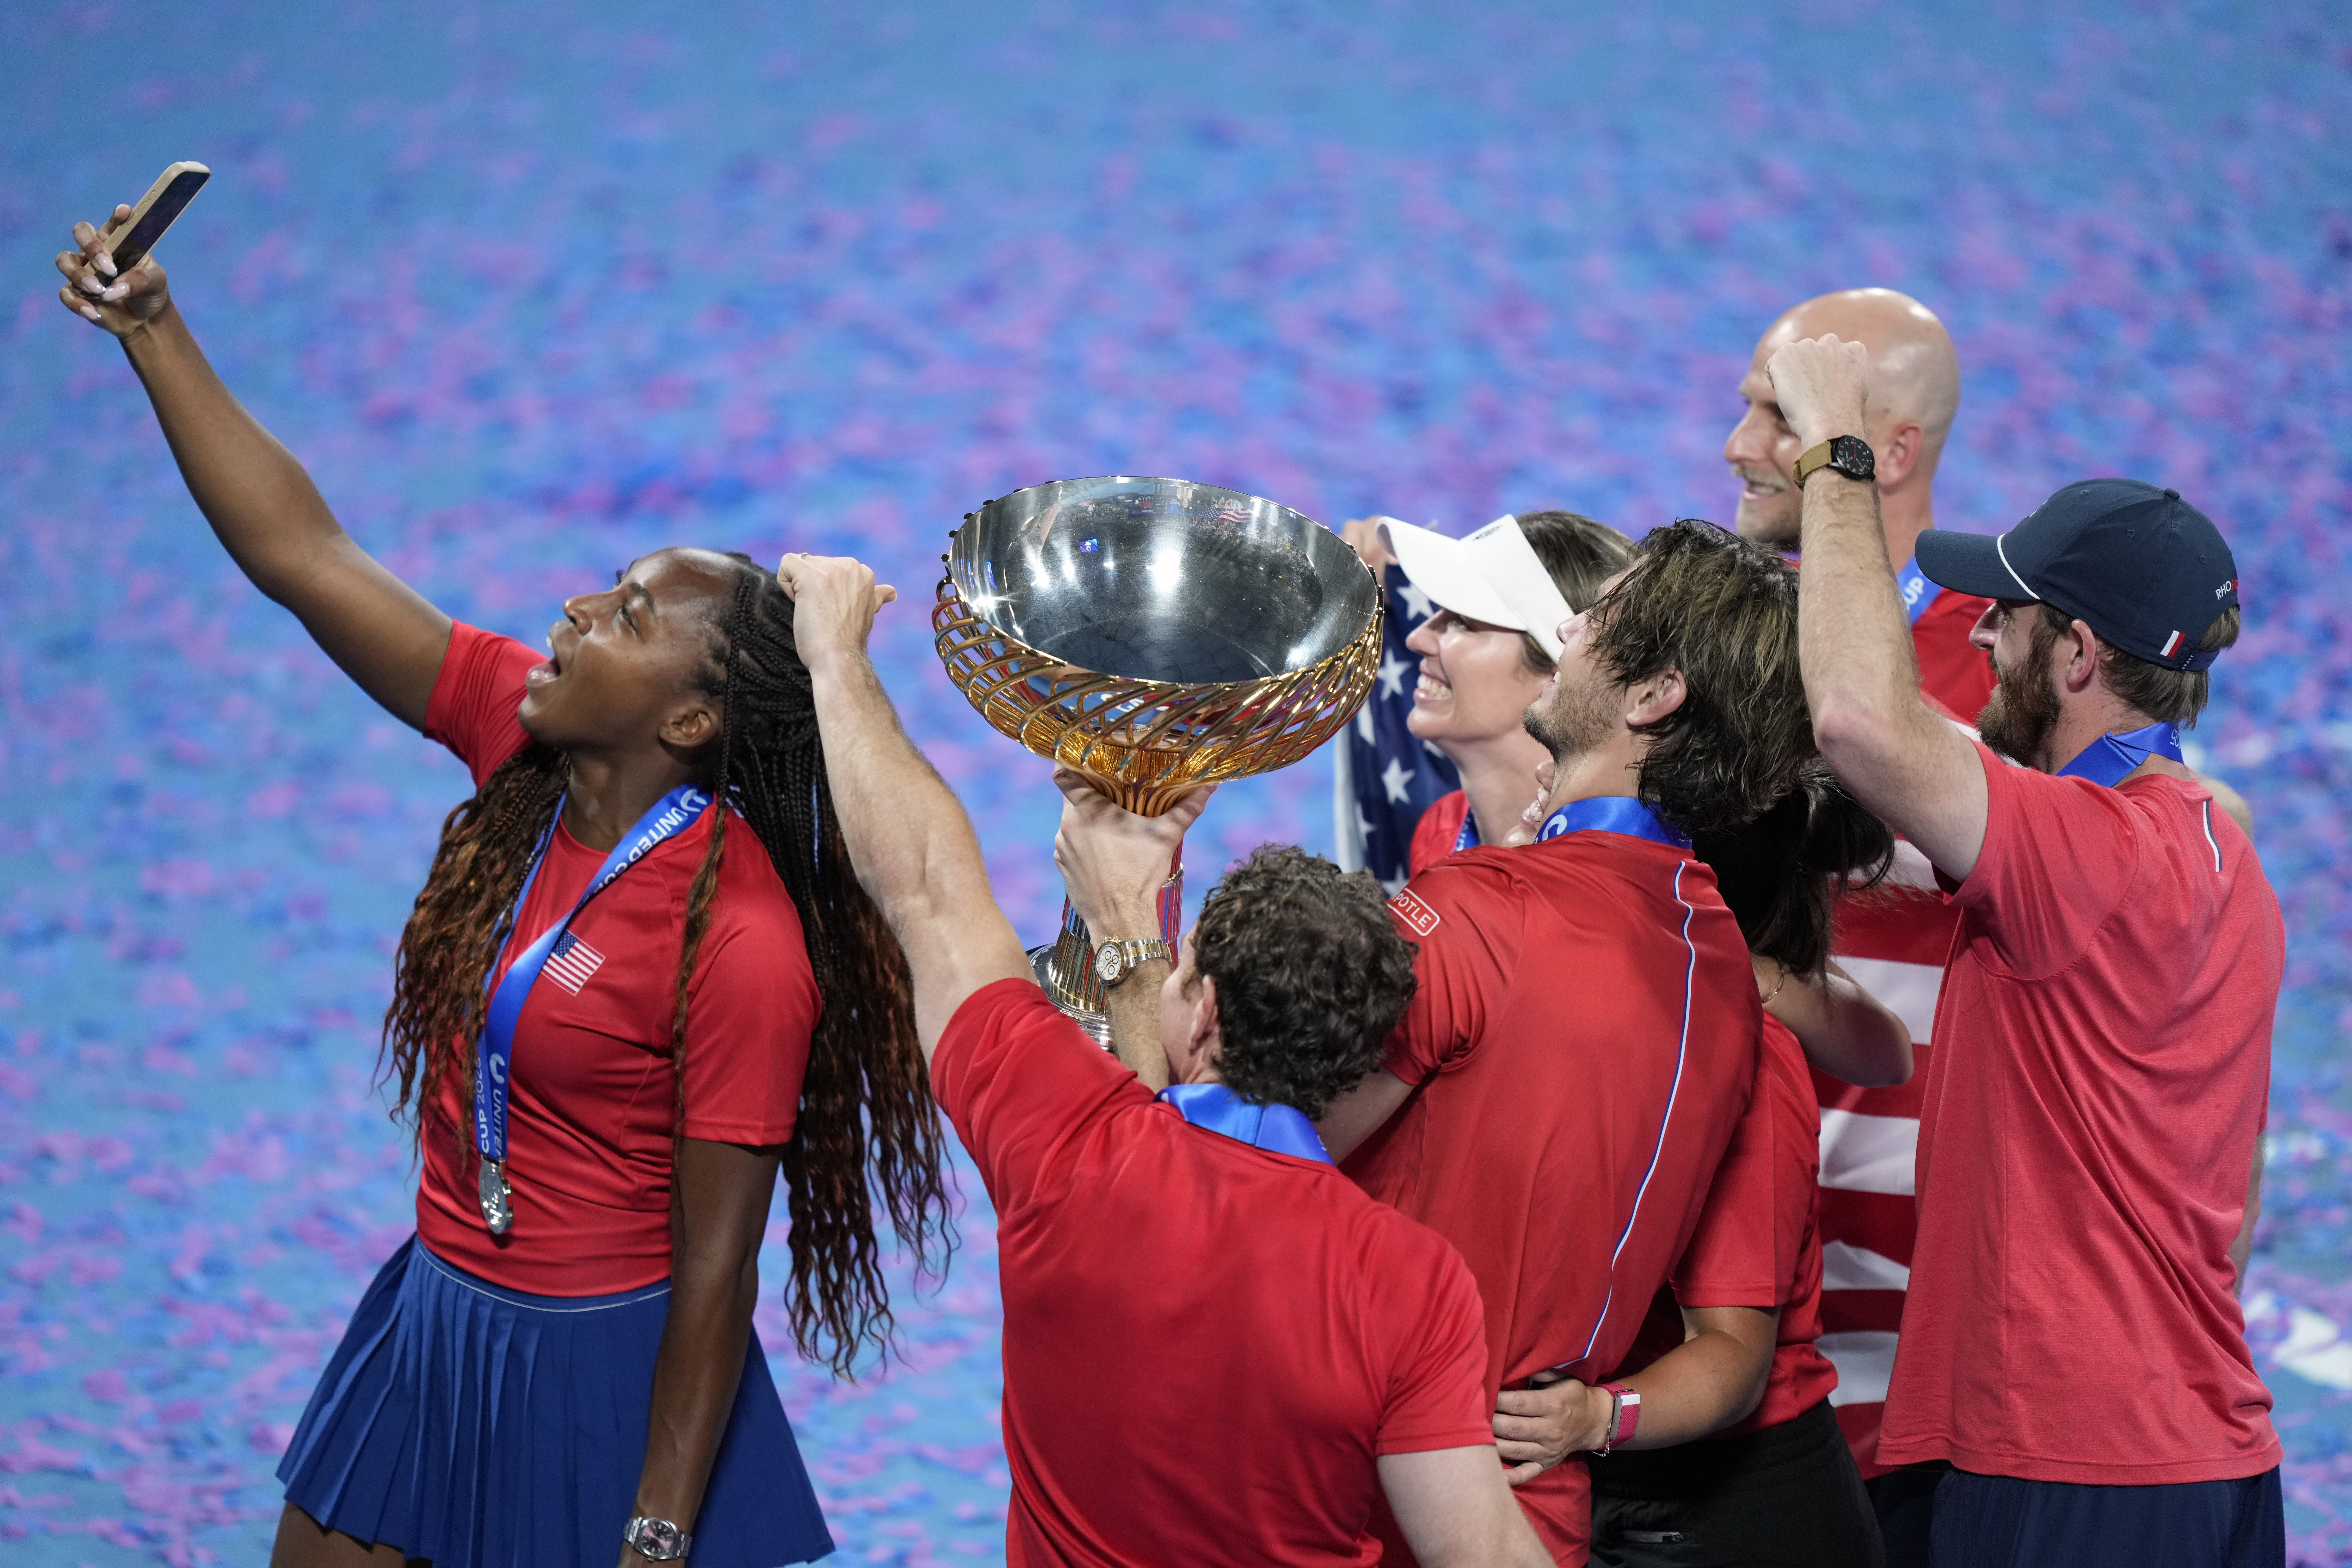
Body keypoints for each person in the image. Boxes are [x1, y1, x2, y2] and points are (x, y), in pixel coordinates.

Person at [57, 203, 953, 1568]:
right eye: (609, 587)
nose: (585, 612)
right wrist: (154, 332)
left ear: (693, 724)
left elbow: (716, 1275)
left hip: (600, 1374)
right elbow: (310, 558)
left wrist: (655, 1531)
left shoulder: (747, 941)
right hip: (433, 1316)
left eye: (633, 616)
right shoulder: (517, 742)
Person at [774, 551, 1551, 1568]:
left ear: (1207, 1008)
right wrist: (1135, 929)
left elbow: (925, 887)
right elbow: (1483, 1555)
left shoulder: (1066, 1147)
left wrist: (835, 656)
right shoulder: (1412, 1281)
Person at [1768, 333, 2285, 1565]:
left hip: (2066, 1459)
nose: (1983, 630)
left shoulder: (2085, 851)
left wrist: (1837, 464)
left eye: (2009, 613)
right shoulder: (2224, 848)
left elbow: (1859, 720)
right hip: (2208, 1449)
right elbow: (2244, 1196)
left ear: (2078, 655)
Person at [1315, 519, 1821, 1565]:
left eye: (1592, 619)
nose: (1568, 627)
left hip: (1373, 1495)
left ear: (1652, 697)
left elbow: (1272, 1147)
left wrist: (1137, 941)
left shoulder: (1486, 909)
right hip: (1532, 1513)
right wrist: (1597, 1420)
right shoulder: (1722, 970)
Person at [1723, 292, 1990, 1528]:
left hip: (1932, 1323)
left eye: (1774, 416)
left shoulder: (1999, 681)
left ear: (1885, 451)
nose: (1736, 447)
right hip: (1736, 1307)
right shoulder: (1712, 652)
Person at [1337, 512, 1640, 877]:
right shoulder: (1439, 830)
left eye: (1463, 623)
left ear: (1561, 673)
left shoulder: (1611, 877)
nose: (1417, 639)